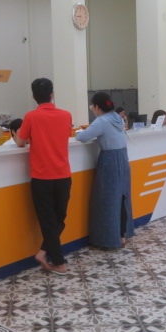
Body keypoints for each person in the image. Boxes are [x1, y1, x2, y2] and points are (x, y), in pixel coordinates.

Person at [14, 78, 72, 275]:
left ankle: (47, 255)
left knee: (49, 221)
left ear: (33, 96)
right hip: (63, 175)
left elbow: (20, 142)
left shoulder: (31, 116)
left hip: (41, 178)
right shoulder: (66, 115)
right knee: (59, 218)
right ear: (52, 94)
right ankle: (56, 260)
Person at [75, 92, 134, 249]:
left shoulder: (101, 121)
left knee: (107, 200)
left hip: (109, 160)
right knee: (121, 198)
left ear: (96, 106)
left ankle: (108, 239)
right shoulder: (117, 118)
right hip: (123, 159)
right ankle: (122, 235)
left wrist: (78, 133)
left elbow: (82, 137)